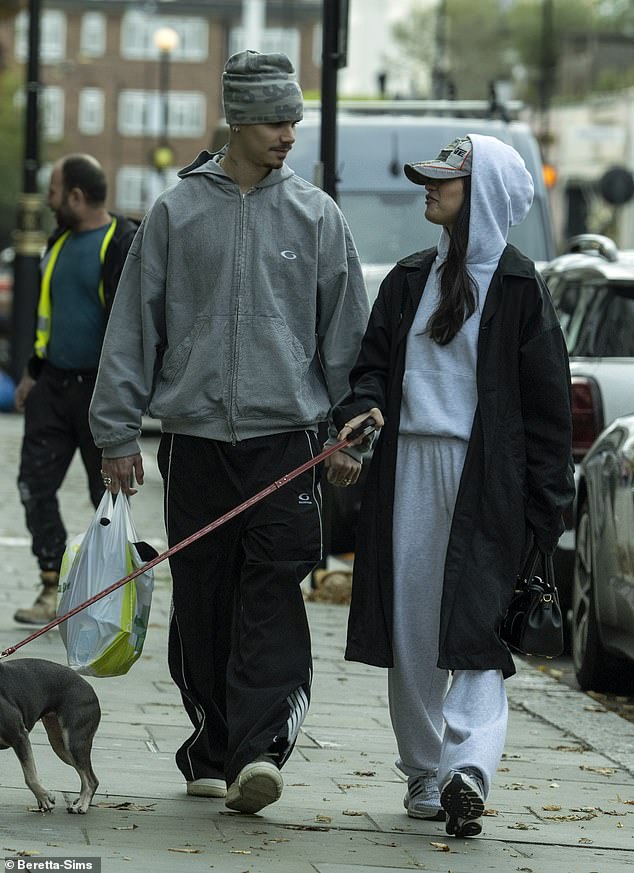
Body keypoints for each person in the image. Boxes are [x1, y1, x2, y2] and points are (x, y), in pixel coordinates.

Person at [89, 50, 369, 814]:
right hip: (196, 442)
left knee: (272, 590)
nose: (289, 134)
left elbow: (347, 338)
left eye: (295, 120)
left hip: (287, 444)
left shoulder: (317, 215)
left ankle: (259, 748)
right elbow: (132, 329)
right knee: (205, 597)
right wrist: (117, 434)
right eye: (277, 120)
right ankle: (211, 743)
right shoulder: (176, 213)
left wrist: (351, 431)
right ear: (240, 120)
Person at [332, 135, 574, 838]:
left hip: (487, 482)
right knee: (412, 625)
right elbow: (371, 368)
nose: (428, 188)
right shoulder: (410, 278)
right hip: (407, 470)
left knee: (477, 626)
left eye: (445, 180)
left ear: (485, 195)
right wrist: (362, 409)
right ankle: (424, 770)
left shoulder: (520, 287)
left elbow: (549, 410)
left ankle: (467, 767)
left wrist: (547, 509)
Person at [13, 154, 139, 625]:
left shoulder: (121, 242)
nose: (48, 202)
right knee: (34, 486)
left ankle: (108, 597)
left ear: (76, 196)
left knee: (106, 495)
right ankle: (51, 584)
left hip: (98, 393)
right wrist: (33, 371)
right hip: (51, 386)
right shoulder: (59, 240)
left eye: (53, 192)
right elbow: (50, 315)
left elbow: (132, 325)